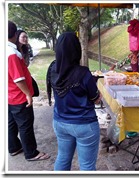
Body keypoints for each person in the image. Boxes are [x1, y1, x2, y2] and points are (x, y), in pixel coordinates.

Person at [47, 32, 102, 171]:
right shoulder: (83, 73)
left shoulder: (53, 69)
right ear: (77, 50)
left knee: (63, 158)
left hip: (60, 122)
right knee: (87, 166)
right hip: (84, 125)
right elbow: (95, 99)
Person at [8, 21, 50, 161]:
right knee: (25, 125)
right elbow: (18, 78)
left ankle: (14, 147)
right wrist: (27, 94)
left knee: (11, 123)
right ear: (15, 34)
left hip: (9, 94)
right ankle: (31, 153)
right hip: (18, 95)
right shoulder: (11, 54)